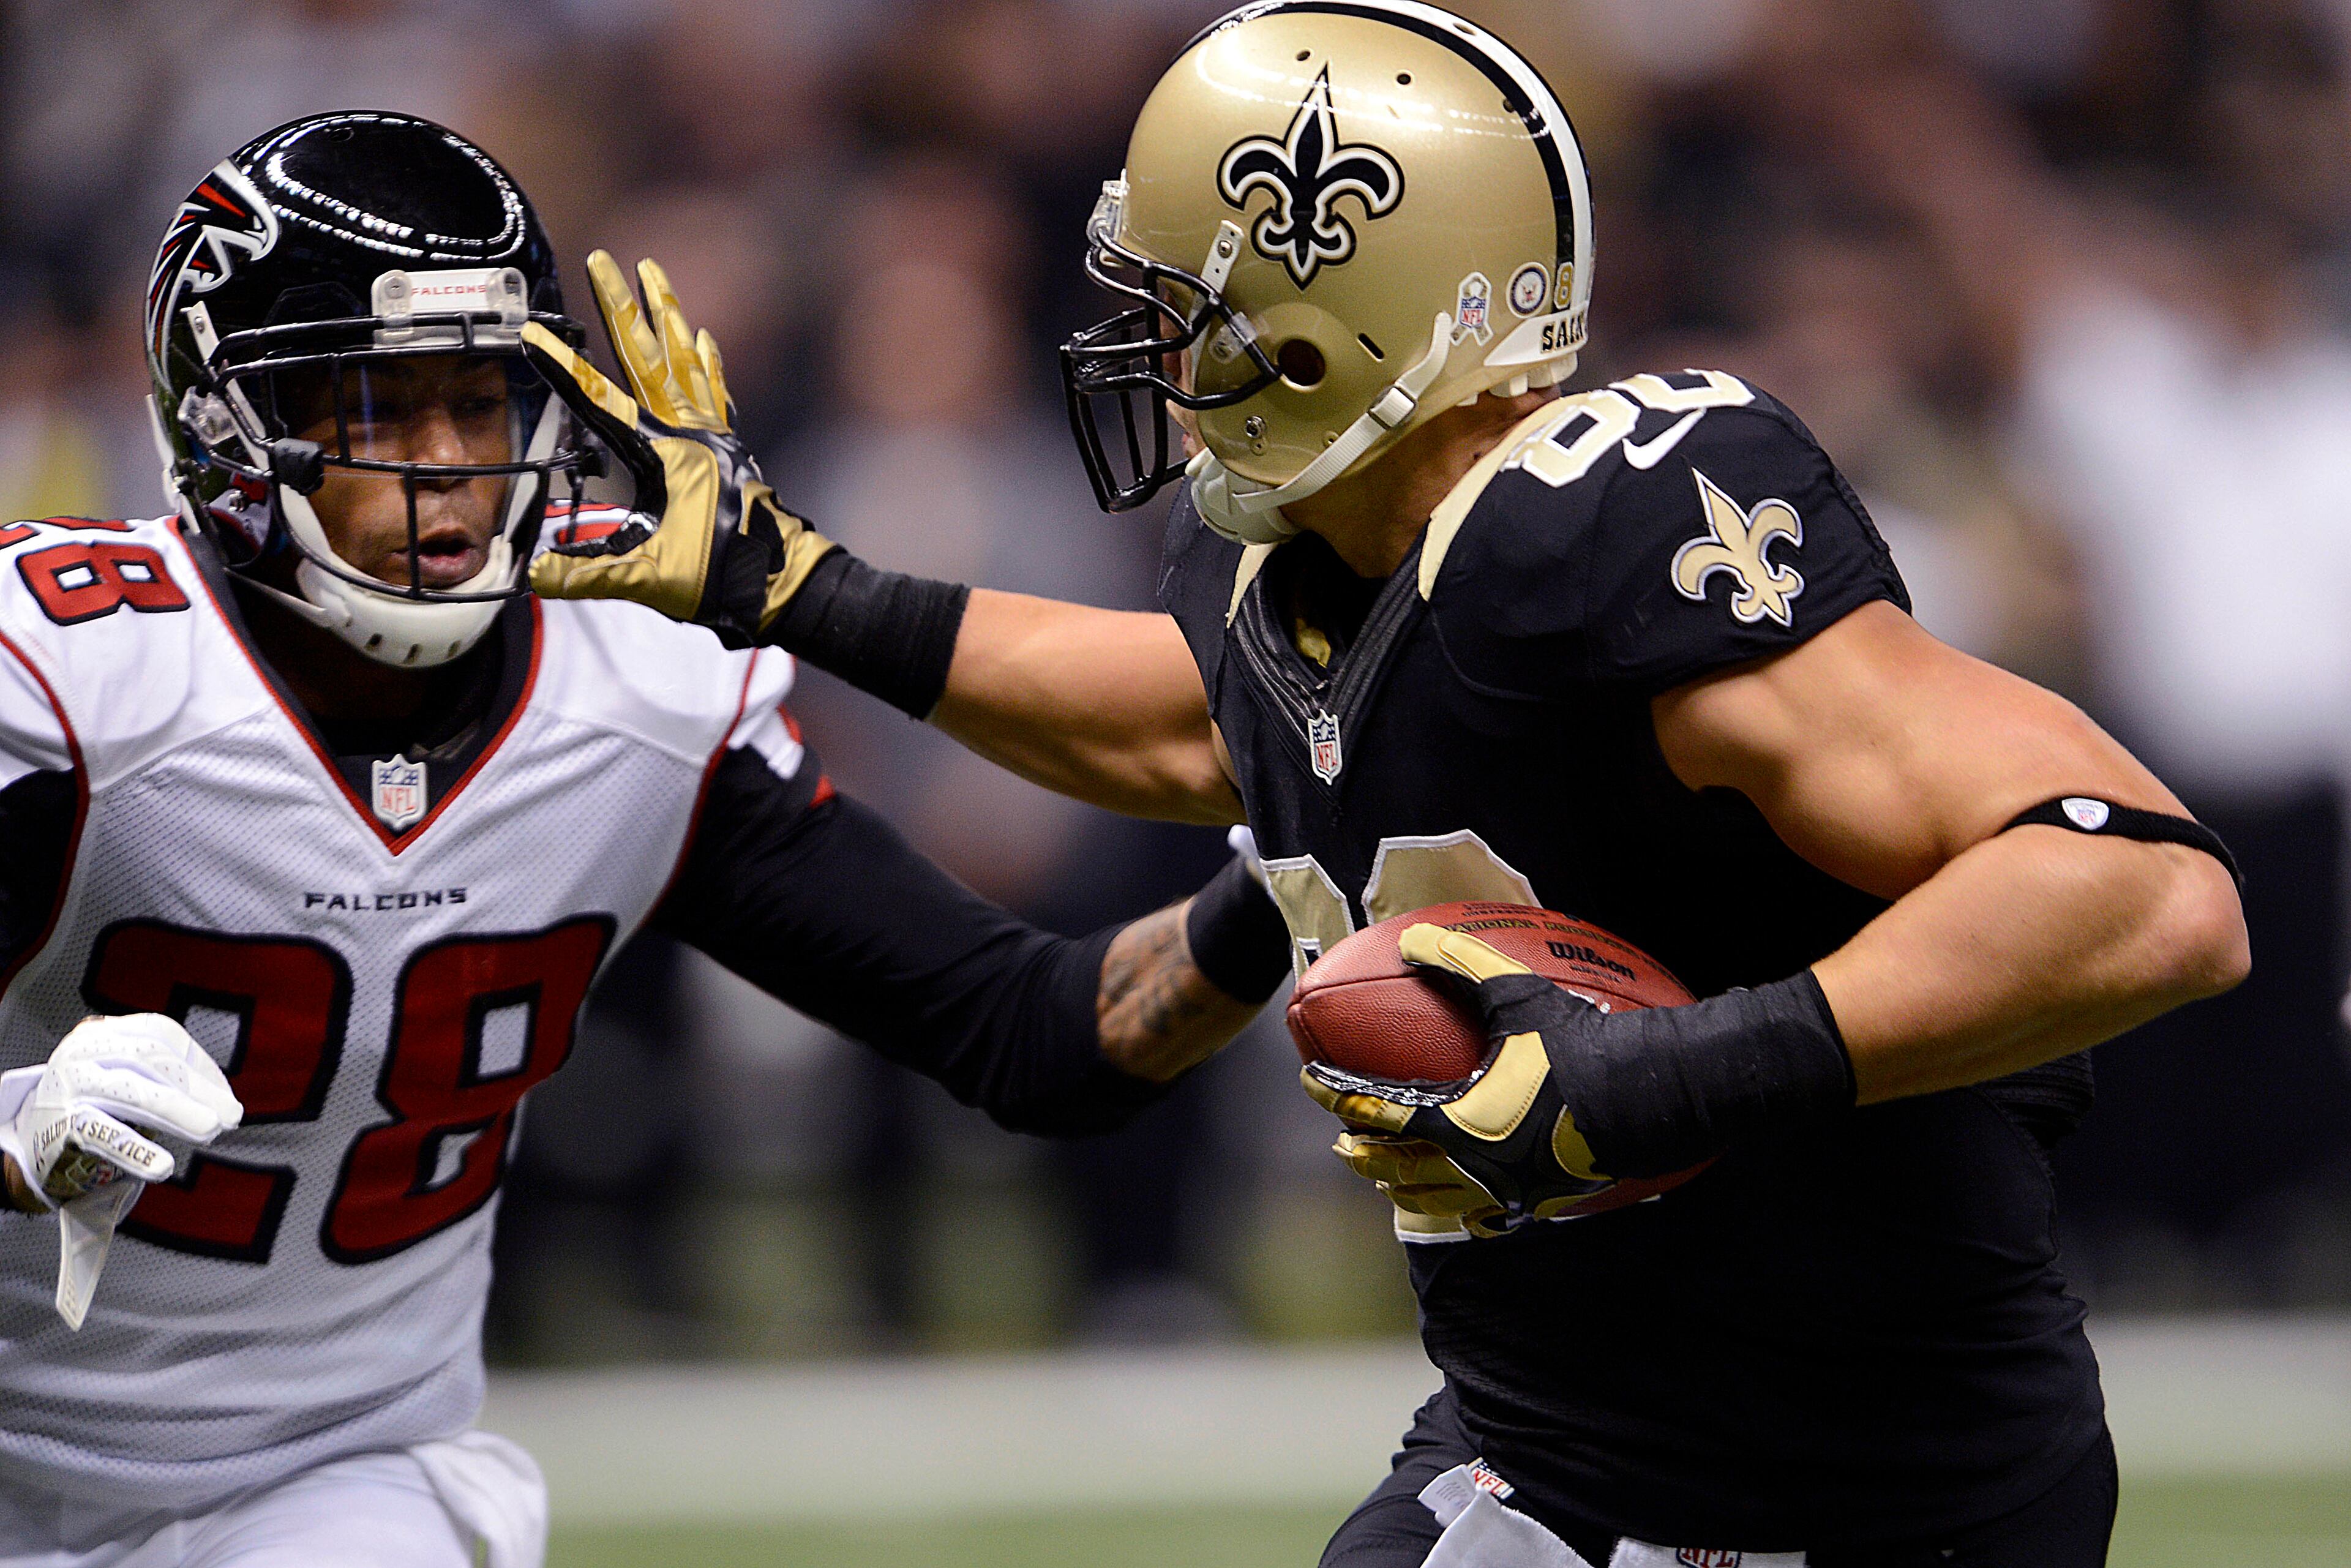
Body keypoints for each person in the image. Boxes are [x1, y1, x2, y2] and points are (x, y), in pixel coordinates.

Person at [532, 5, 2253, 1564]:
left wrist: (1664, 1078)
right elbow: (1169, 723)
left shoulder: (1593, 534)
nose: (1152, 358)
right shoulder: (1281, 593)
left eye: (1193, 312)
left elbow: (2146, 886)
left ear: (1335, 324)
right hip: (1547, 1463)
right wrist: (794, 584)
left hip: (1888, 1491)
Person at [0, 111, 1290, 1568]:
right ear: (225, 422)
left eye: (482, 402)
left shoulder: (631, 694)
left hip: (331, 1484)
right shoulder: (72, 682)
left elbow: (1033, 1035)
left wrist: (1283, 882)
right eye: (379, 408)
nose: (444, 469)